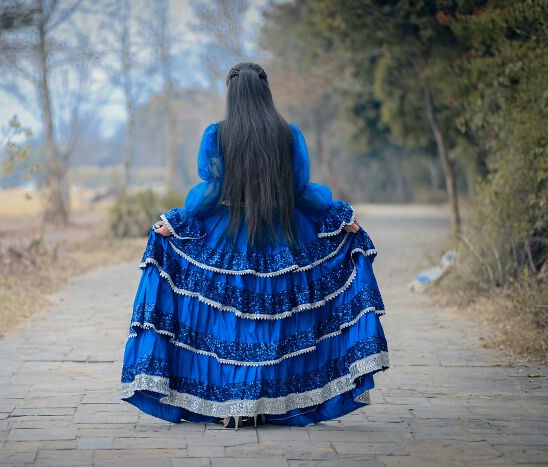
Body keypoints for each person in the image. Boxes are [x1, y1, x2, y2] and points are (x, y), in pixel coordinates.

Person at [120, 62, 389, 429]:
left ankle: (234, 404)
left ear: (231, 92)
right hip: (284, 236)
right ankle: (268, 402)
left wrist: (179, 219)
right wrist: (339, 215)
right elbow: (300, 189)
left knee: (230, 323)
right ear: (266, 91)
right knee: (276, 324)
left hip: (228, 238)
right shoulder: (288, 134)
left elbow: (212, 190)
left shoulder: (217, 134)